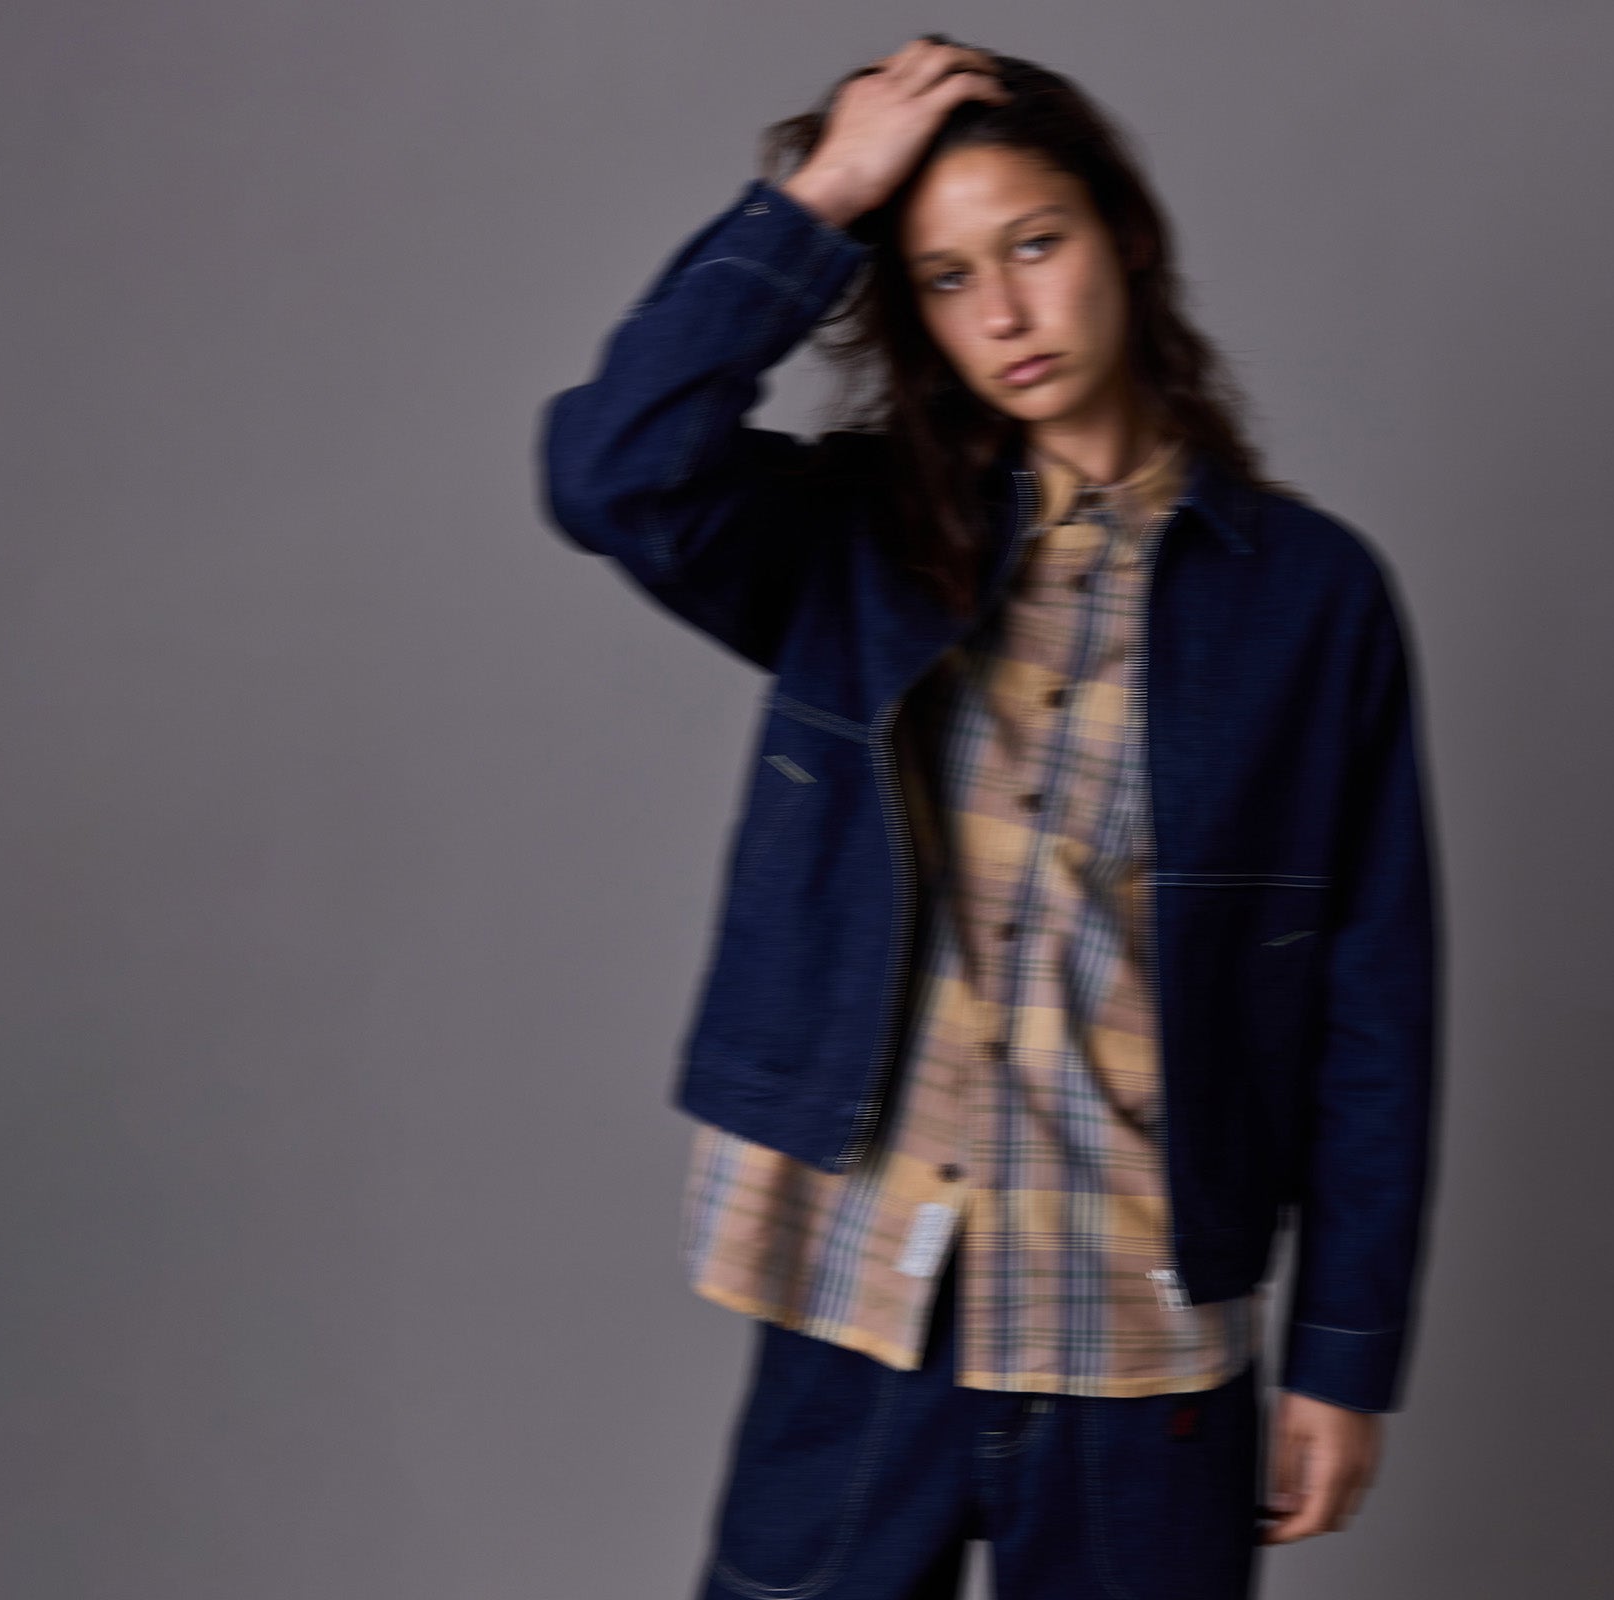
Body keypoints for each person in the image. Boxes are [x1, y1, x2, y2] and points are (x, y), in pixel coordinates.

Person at [538, 35, 1440, 1600]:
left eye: (1035, 245)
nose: (1006, 314)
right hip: (867, 1301)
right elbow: (607, 471)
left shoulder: (1310, 601)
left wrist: (1344, 1356)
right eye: (948, 279)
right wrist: (822, 198)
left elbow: (1375, 1004)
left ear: (1124, 237)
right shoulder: (861, 541)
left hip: (1139, 1331)